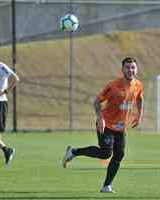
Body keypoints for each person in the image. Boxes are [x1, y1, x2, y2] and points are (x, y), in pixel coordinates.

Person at [62, 57, 144, 193]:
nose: (131, 70)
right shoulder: (113, 86)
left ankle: (107, 186)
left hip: (121, 127)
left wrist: (139, 115)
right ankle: (74, 152)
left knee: (119, 155)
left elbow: (140, 98)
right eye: (128, 67)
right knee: (106, 153)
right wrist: (100, 118)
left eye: (133, 67)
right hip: (106, 124)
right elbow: (96, 101)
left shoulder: (138, 85)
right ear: (122, 69)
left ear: (136, 69)